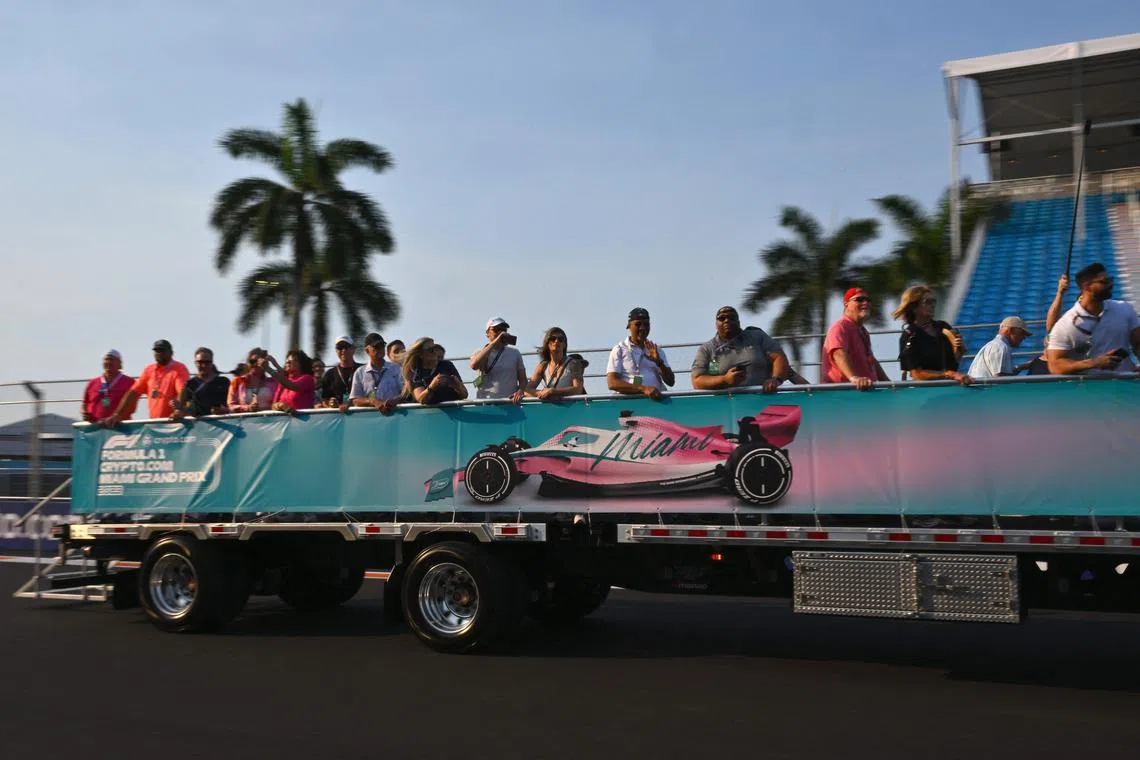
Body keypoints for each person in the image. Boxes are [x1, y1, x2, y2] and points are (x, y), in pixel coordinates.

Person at [1047, 262, 1140, 375]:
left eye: (1110, 279)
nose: (1110, 284)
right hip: (1089, 389)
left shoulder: (1124, 308)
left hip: (1126, 384)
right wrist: (1094, 363)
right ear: (1087, 286)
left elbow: (1138, 342)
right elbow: (1055, 366)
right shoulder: (1065, 325)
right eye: (1104, 282)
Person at [691, 306, 789, 393]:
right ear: (716, 324)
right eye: (722, 318)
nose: (726, 320)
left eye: (731, 317)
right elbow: (697, 381)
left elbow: (778, 357)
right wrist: (724, 379)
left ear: (738, 322)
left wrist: (776, 379)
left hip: (762, 399)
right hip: (725, 406)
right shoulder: (707, 349)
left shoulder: (757, 337)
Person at [894, 285, 972, 385]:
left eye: (933, 301)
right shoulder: (909, 336)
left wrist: (960, 348)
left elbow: (955, 360)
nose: (932, 305)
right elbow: (916, 374)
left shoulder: (943, 326)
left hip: (951, 386)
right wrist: (948, 374)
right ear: (914, 307)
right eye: (927, 302)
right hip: (927, 391)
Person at [104, 339, 190, 426]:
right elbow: (133, 393)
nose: (159, 353)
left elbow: (183, 390)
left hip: (174, 424)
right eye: (156, 351)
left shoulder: (179, 368)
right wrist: (117, 414)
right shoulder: (149, 370)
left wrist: (178, 410)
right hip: (154, 425)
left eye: (162, 350)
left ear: (171, 353)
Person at [821, 289, 890, 390]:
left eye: (868, 300)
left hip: (864, 392)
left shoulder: (863, 331)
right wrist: (854, 378)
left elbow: (872, 361)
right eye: (860, 299)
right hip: (844, 395)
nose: (865, 303)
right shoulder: (840, 327)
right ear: (846, 304)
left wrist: (890, 384)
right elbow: (838, 353)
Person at [606, 307, 675, 400]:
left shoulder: (656, 350)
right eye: (638, 324)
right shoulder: (619, 349)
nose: (642, 328)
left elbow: (671, 382)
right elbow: (612, 383)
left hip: (656, 403)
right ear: (628, 326)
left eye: (646, 324)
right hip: (630, 403)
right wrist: (643, 388)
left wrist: (659, 362)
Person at [469, 317, 527, 403]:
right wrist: (494, 343)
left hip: (509, 403)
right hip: (486, 402)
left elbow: (523, 379)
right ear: (487, 333)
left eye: (504, 330)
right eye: (496, 330)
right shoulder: (479, 352)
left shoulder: (515, 353)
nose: (501, 333)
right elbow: (474, 365)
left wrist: (520, 391)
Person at [525, 327, 587, 400]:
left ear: (564, 344)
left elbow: (577, 389)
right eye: (553, 338)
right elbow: (527, 390)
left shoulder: (574, 364)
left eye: (560, 339)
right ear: (547, 343)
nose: (556, 341)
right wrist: (542, 393)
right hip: (551, 409)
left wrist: (552, 391)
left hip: (571, 408)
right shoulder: (543, 365)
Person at [349, 333, 405, 414]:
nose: (380, 349)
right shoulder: (360, 372)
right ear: (367, 351)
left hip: (395, 416)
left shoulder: (396, 369)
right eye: (376, 347)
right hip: (371, 420)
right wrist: (373, 402)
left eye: (382, 346)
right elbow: (355, 400)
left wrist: (395, 400)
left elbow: (405, 393)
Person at [172, 347, 231, 420]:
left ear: (212, 363)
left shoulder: (223, 382)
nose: (204, 365)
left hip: (225, 426)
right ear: (195, 363)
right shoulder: (190, 384)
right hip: (198, 428)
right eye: (200, 362)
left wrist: (224, 411)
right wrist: (178, 411)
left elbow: (232, 405)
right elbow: (180, 408)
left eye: (207, 362)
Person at [405, 337, 468, 404]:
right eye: (430, 350)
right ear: (420, 354)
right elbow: (421, 400)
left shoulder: (447, 365)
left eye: (435, 348)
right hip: (431, 413)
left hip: (454, 411)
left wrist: (458, 387)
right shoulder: (416, 373)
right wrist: (432, 387)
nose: (435, 352)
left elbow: (465, 394)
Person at [968, 317, 1032, 379]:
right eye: (1022, 333)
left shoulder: (996, 345)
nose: (1024, 337)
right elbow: (999, 379)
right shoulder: (1000, 346)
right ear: (1011, 330)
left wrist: (1021, 367)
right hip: (985, 389)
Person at [82, 350, 135, 424]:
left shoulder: (129, 382)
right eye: (106, 359)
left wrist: (117, 417)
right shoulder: (92, 383)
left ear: (120, 364)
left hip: (120, 428)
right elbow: (85, 403)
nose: (108, 362)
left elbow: (132, 406)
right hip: (95, 429)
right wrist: (85, 413)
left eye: (112, 359)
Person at [227, 348, 277, 413]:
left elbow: (279, 401)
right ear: (248, 363)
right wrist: (247, 408)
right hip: (245, 421)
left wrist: (274, 364)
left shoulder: (273, 382)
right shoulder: (237, 382)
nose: (255, 364)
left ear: (264, 363)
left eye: (258, 362)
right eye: (252, 361)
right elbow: (230, 406)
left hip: (271, 421)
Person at [320, 335, 362, 410]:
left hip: (360, 414)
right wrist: (330, 404)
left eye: (346, 347)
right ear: (336, 351)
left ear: (353, 349)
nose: (343, 350)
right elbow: (325, 400)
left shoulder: (362, 370)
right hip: (338, 417)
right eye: (339, 348)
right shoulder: (329, 374)